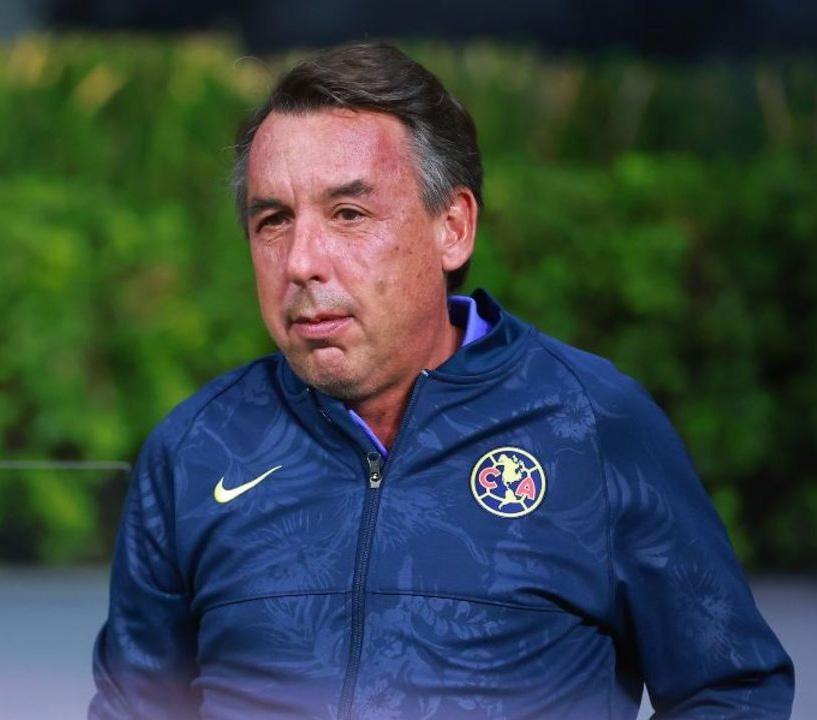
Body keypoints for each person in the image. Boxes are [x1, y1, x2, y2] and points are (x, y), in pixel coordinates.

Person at [89, 42, 794, 720]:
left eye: (348, 214)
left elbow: (732, 688)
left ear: (451, 227)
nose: (301, 261)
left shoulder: (593, 425)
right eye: (273, 220)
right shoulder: (195, 449)